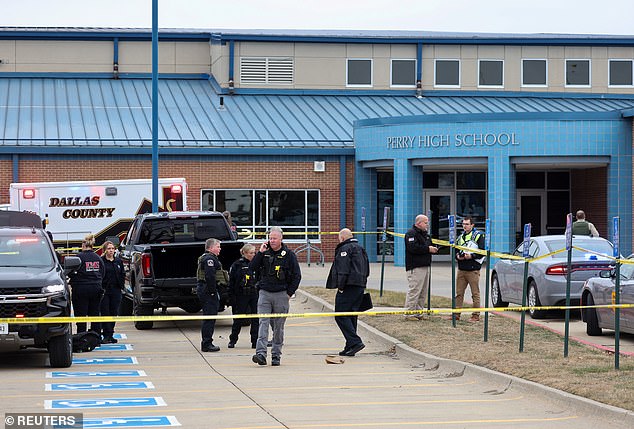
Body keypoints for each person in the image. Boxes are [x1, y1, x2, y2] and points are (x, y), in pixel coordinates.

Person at [249, 227, 301, 366]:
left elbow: (297, 275)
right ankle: (260, 353)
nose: (272, 241)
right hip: (264, 293)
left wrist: (289, 293)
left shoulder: (289, 255)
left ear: (281, 239)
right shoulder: (264, 253)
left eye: (274, 238)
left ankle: (276, 355)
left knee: (278, 327)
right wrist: (260, 253)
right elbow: (252, 268)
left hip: (281, 294)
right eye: (270, 238)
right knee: (263, 323)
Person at [326, 228, 370, 357]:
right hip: (359, 285)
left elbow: (343, 269)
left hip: (349, 286)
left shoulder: (345, 249)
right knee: (351, 315)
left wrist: (340, 286)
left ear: (342, 238)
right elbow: (367, 268)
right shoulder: (361, 248)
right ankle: (350, 345)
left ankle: (355, 342)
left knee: (341, 315)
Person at [403, 214, 438, 321]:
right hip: (415, 266)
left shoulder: (425, 235)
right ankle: (409, 313)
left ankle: (418, 312)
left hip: (425, 265)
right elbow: (413, 248)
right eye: (425, 222)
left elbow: (429, 245)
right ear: (419, 223)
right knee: (414, 290)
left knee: (423, 291)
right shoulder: (411, 234)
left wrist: (433, 249)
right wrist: (428, 249)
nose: (427, 225)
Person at [68, 234, 105, 334]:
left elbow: (70, 272)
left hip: (81, 289)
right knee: (95, 315)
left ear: (83, 245)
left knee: (81, 316)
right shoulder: (98, 258)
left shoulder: (78, 258)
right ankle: (96, 336)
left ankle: (82, 337)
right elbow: (102, 273)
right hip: (96, 288)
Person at [228, 243, 259, 349]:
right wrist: (231, 297)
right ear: (244, 253)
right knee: (238, 318)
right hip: (241, 295)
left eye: (254, 253)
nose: (253, 255)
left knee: (255, 318)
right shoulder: (237, 265)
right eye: (251, 253)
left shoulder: (257, 264)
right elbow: (232, 282)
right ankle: (233, 340)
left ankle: (255, 341)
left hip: (254, 294)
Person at [455, 216, 485, 322]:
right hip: (461, 269)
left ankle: (475, 315)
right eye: (463, 224)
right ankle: (456, 314)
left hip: (473, 269)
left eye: (467, 224)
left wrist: (471, 256)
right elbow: (456, 250)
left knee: (475, 293)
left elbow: (482, 252)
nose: (464, 226)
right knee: (458, 293)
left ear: (472, 225)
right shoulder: (460, 237)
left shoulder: (478, 236)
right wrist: (458, 256)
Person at [196, 238, 223, 352]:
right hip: (207, 290)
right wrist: (212, 292)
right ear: (211, 248)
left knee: (210, 316)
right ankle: (207, 343)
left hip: (206, 289)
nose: (219, 249)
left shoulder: (209, 258)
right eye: (217, 247)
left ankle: (207, 342)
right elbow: (210, 276)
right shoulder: (209, 259)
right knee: (210, 317)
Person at [99, 240, 125, 344]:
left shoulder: (118, 261)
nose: (111, 250)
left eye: (112, 248)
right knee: (105, 312)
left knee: (114, 312)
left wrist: (121, 285)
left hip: (116, 290)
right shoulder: (101, 261)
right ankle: (106, 334)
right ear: (105, 250)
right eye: (109, 249)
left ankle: (111, 334)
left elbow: (122, 273)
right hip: (105, 291)